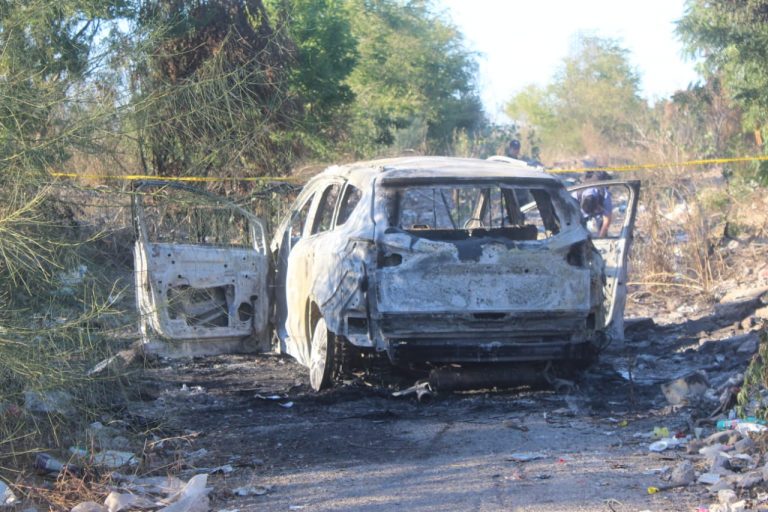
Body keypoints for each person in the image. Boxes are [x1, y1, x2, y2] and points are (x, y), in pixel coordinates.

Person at [577, 171, 613, 237]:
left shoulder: (604, 195)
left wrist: (601, 237)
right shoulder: (575, 195)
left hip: (600, 215)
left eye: (595, 210)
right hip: (583, 218)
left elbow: (607, 219)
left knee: (602, 227)